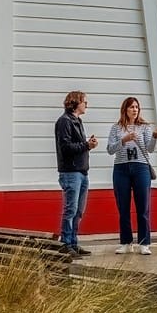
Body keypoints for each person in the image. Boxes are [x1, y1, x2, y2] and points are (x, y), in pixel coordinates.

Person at [106, 97, 157, 254]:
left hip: (141, 168)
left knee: (143, 207)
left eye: (137, 107)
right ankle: (126, 242)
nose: (135, 109)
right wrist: (124, 140)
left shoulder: (144, 127)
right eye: (131, 107)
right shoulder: (116, 128)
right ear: (125, 109)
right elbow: (110, 149)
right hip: (121, 168)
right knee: (123, 207)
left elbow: (150, 149)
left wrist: (155, 136)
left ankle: (144, 243)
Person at [55, 90, 99, 255]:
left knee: (78, 211)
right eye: (84, 101)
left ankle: (73, 242)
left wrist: (87, 144)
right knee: (71, 209)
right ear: (75, 102)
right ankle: (65, 244)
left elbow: (76, 146)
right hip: (70, 172)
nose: (86, 104)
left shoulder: (77, 121)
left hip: (81, 172)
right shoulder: (64, 121)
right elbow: (65, 148)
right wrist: (87, 145)